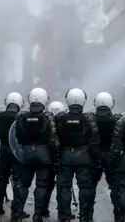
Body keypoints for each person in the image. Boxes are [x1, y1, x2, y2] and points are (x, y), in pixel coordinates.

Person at [10, 88, 59, 222]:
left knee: (23, 184)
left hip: (25, 154)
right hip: (43, 154)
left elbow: (15, 136)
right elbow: (54, 139)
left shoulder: (21, 116)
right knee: (41, 185)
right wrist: (55, 155)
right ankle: (37, 215)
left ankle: (18, 214)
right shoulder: (48, 118)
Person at [55, 88, 100, 222]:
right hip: (83, 157)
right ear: (83, 101)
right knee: (85, 187)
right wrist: (96, 159)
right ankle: (84, 216)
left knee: (64, 188)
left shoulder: (60, 118)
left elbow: (54, 138)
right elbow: (94, 141)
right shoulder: (88, 119)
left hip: (65, 157)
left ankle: (64, 216)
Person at [0, 92, 29, 218]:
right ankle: (17, 210)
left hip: (3, 150)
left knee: (2, 180)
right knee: (17, 180)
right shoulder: (20, 118)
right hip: (15, 150)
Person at [90, 92, 121, 219]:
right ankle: (118, 214)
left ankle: (87, 214)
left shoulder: (90, 119)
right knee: (115, 185)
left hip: (94, 155)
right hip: (111, 155)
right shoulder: (116, 120)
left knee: (90, 185)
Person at [42, 101, 67, 218]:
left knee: (47, 184)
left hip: (48, 157)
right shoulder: (65, 123)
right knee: (63, 185)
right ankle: (62, 211)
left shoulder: (45, 121)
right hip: (62, 157)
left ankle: (43, 209)